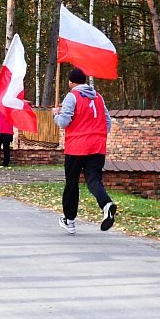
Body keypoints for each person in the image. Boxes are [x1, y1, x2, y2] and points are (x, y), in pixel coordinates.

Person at [52, 68, 117, 234]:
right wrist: (98, 135)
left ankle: (69, 220)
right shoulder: (98, 97)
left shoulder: (72, 96)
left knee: (72, 183)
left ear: (71, 82)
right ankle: (106, 204)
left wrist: (55, 115)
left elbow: (64, 122)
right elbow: (107, 121)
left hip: (76, 147)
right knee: (93, 179)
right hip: (97, 146)